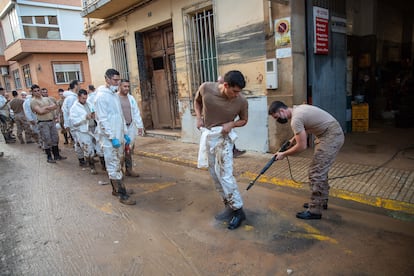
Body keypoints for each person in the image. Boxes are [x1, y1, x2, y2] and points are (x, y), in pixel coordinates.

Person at [268, 101, 344, 220]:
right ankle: (321, 201)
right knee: (320, 170)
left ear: (282, 111)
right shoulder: (299, 109)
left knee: (316, 172)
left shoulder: (295, 120)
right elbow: (309, 127)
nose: (278, 120)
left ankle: (315, 210)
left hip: (330, 137)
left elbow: (302, 146)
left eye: (277, 117)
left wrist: (283, 154)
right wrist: (292, 140)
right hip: (330, 133)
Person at [195, 70, 248, 230]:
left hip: (224, 139)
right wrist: (198, 117)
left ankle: (239, 211)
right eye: (234, 91)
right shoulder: (206, 88)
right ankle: (229, 206)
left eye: (239, 92)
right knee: (215, 175)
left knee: (225, 175)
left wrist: (232, 124)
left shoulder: (241, 101)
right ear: (225, 85)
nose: (237, 95)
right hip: (208, 136)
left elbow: (244, 120)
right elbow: (197, 101)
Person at [94, 69, 135, 205]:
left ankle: (116, 190)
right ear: (107, 79)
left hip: (119, 136)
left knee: (118, 163)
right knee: (113, 166)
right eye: (115, 80)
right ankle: (122, 195)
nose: (117, 83)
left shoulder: (114, 95)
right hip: (109, 139)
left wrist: (125, 134)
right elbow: (102, 120)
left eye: (119, 80)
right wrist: (112, 137)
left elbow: (120, 116)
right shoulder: (101, 97)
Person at [30, 84, 66, 163]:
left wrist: (45, 108)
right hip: (43, 123)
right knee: (47, 139)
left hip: (51, 121)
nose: (37, 92)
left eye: (38, 90)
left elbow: (55, 106)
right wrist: (48, 108)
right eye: (35, 91)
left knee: (55, 138)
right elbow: (40, 111)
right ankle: (49, 157)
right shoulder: (33, 101)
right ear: (32, 92)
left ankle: (57, 155)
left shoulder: (46, 99)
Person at [117, 79, 144, 177]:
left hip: (130, 126)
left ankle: (129, 169)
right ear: (120, 86)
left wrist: (140, 126)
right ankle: (119, 171)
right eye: (125, 86)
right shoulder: (115, 98)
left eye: (128, 86)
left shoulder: (131, 98)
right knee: (120, 151)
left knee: (129, 149)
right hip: (119, 129)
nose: (127, 88)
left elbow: (136, 112)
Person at [69, 89, 98, 175]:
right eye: (83, 98)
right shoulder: (74, 108)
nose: (84, 100)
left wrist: (94, 115)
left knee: (98, 147)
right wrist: (84, 117)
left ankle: (102, 164)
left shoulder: (89, 104)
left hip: (94, 127)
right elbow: (74, 122)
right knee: (88, 149)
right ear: (78, 97)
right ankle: (92, 166)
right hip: (83, 131)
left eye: (86, 98)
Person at [62, 80, 86, 166]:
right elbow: (67, 112)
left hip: (80, 123)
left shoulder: (74, 97)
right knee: (78, 142)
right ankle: (81, 160)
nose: (80, 86)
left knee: (82, 141)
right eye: (79, 84)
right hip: (75, 124)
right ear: (75, 86)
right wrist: (67, 124)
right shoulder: (71, 98)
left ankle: (84, 158)